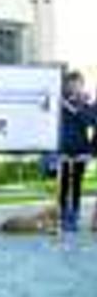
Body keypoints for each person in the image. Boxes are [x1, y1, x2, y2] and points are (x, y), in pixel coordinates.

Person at [56, 71, 93, 234]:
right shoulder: (61, 102)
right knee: (63, 182)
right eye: (71, 83)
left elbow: (90, 122)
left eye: (77, 83)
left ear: (82, 85)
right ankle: (63, 214)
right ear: (67, 85)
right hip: (64, 146)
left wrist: (76, 108)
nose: (74, 87)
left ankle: (75, 215)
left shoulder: (86, 103)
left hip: (80, 147)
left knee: (77, 182)